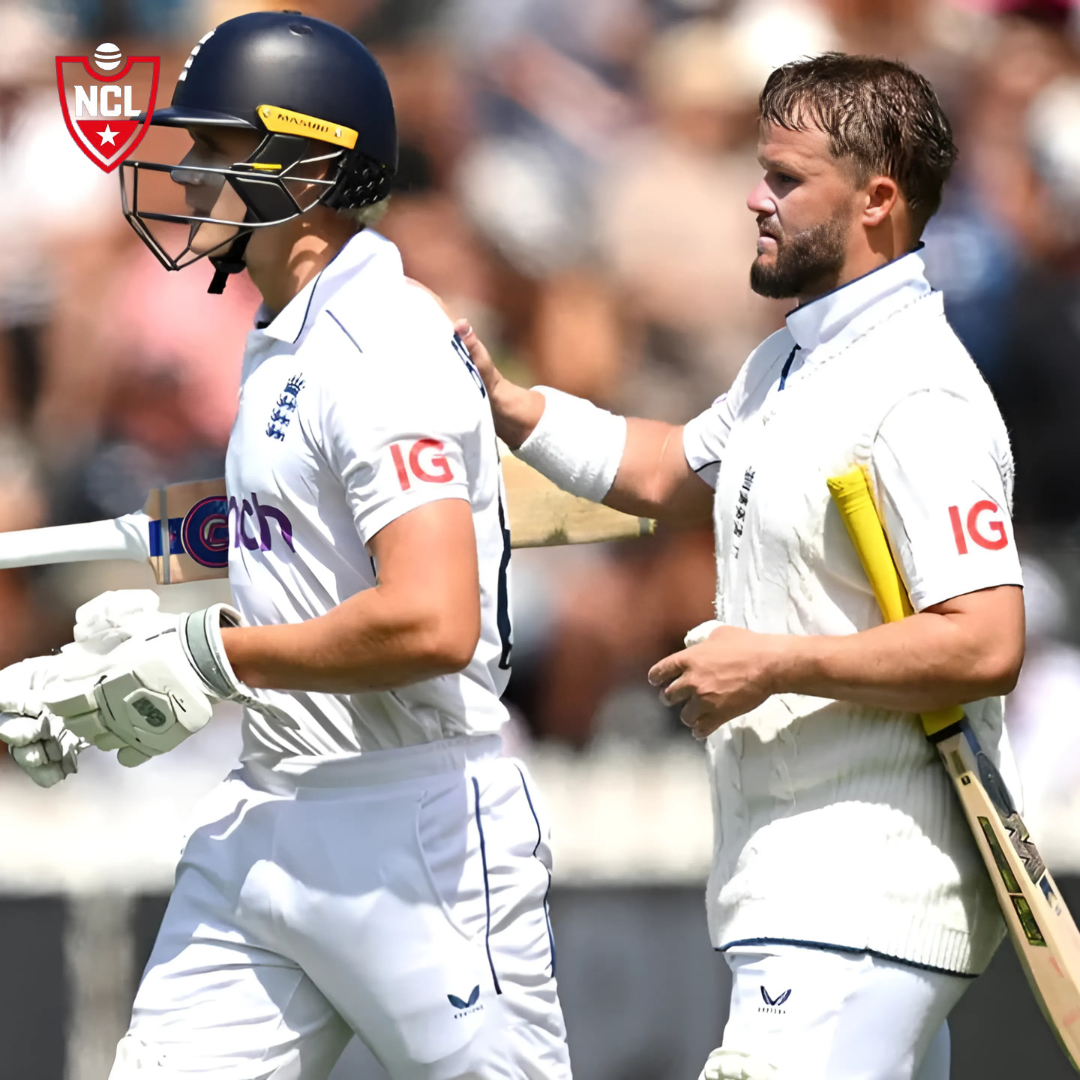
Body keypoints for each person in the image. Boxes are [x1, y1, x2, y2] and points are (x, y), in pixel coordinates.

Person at [0, 12, 569, 1080]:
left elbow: (433, 619)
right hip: (267, 817)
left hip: (420, 840)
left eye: (216, 149)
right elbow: (287, 515)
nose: (184, 171)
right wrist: (102, 616)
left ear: (307, 167)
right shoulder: (286, 330)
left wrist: (209, 656)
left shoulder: (381, 347)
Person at [457, 53, 1025, 1080]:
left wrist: (772, 662)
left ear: (877, 200)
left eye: (787, 179)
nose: (755, 199)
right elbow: (671, 469)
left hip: (863, 894)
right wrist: (515, 407)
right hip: (804, 891)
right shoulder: (792, 363)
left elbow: (985, 640)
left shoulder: (919, 392)